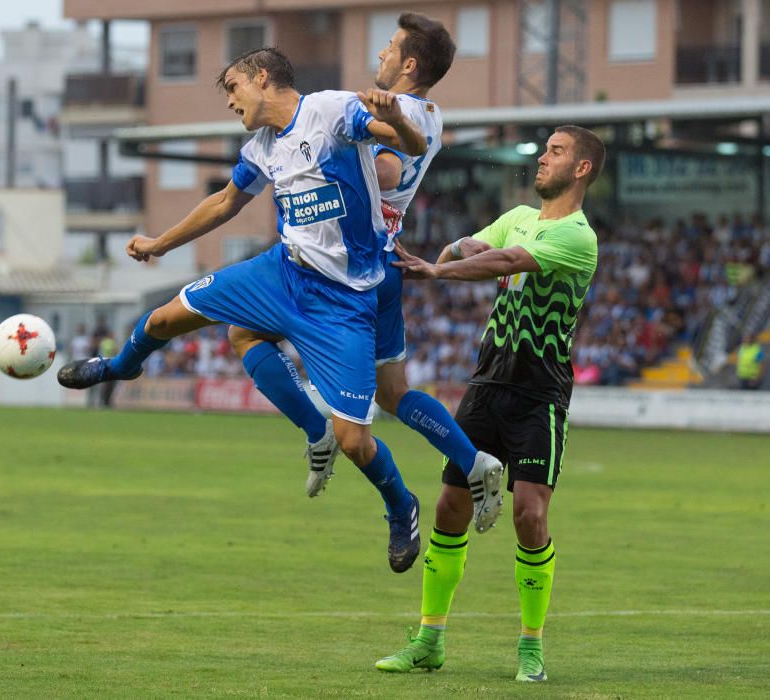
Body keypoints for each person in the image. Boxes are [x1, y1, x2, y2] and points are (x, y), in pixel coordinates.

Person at [57, 48, 428, 573]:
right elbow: (225, 202)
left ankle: (401, 505)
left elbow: (408, 145)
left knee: (355, 441)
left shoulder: (330, 111)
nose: (230, 100)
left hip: (343, 300)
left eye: (232, 87)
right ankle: (120, 368)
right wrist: (161, 242)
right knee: (168, 319)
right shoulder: (262, 146)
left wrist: (394, 121)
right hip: (282, 272)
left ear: (260, 77)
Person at [226, 13, 504, 537]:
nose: (382, 55)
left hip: (350, 266)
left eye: (391, 48)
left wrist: (314, 157)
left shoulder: (396, 113)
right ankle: (474, 464)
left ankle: (318, 431)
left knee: (244, 331)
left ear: (410, 63)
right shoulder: (431, 112)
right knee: (395, 393)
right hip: (384, 263)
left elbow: (389, 168)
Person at [375, 125, 605, 682]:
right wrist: (456, 249)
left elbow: (503, 264)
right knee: (449, 507)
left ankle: (531, 647)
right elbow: (474, 247)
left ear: (581, 170)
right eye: (543, 150)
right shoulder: (520, 215)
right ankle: (429, 641)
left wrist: (441, 267)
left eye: (554, 152)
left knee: (529, 513)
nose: (542, 160)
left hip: (539, 395)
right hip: (486, 386)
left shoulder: (578, 236)